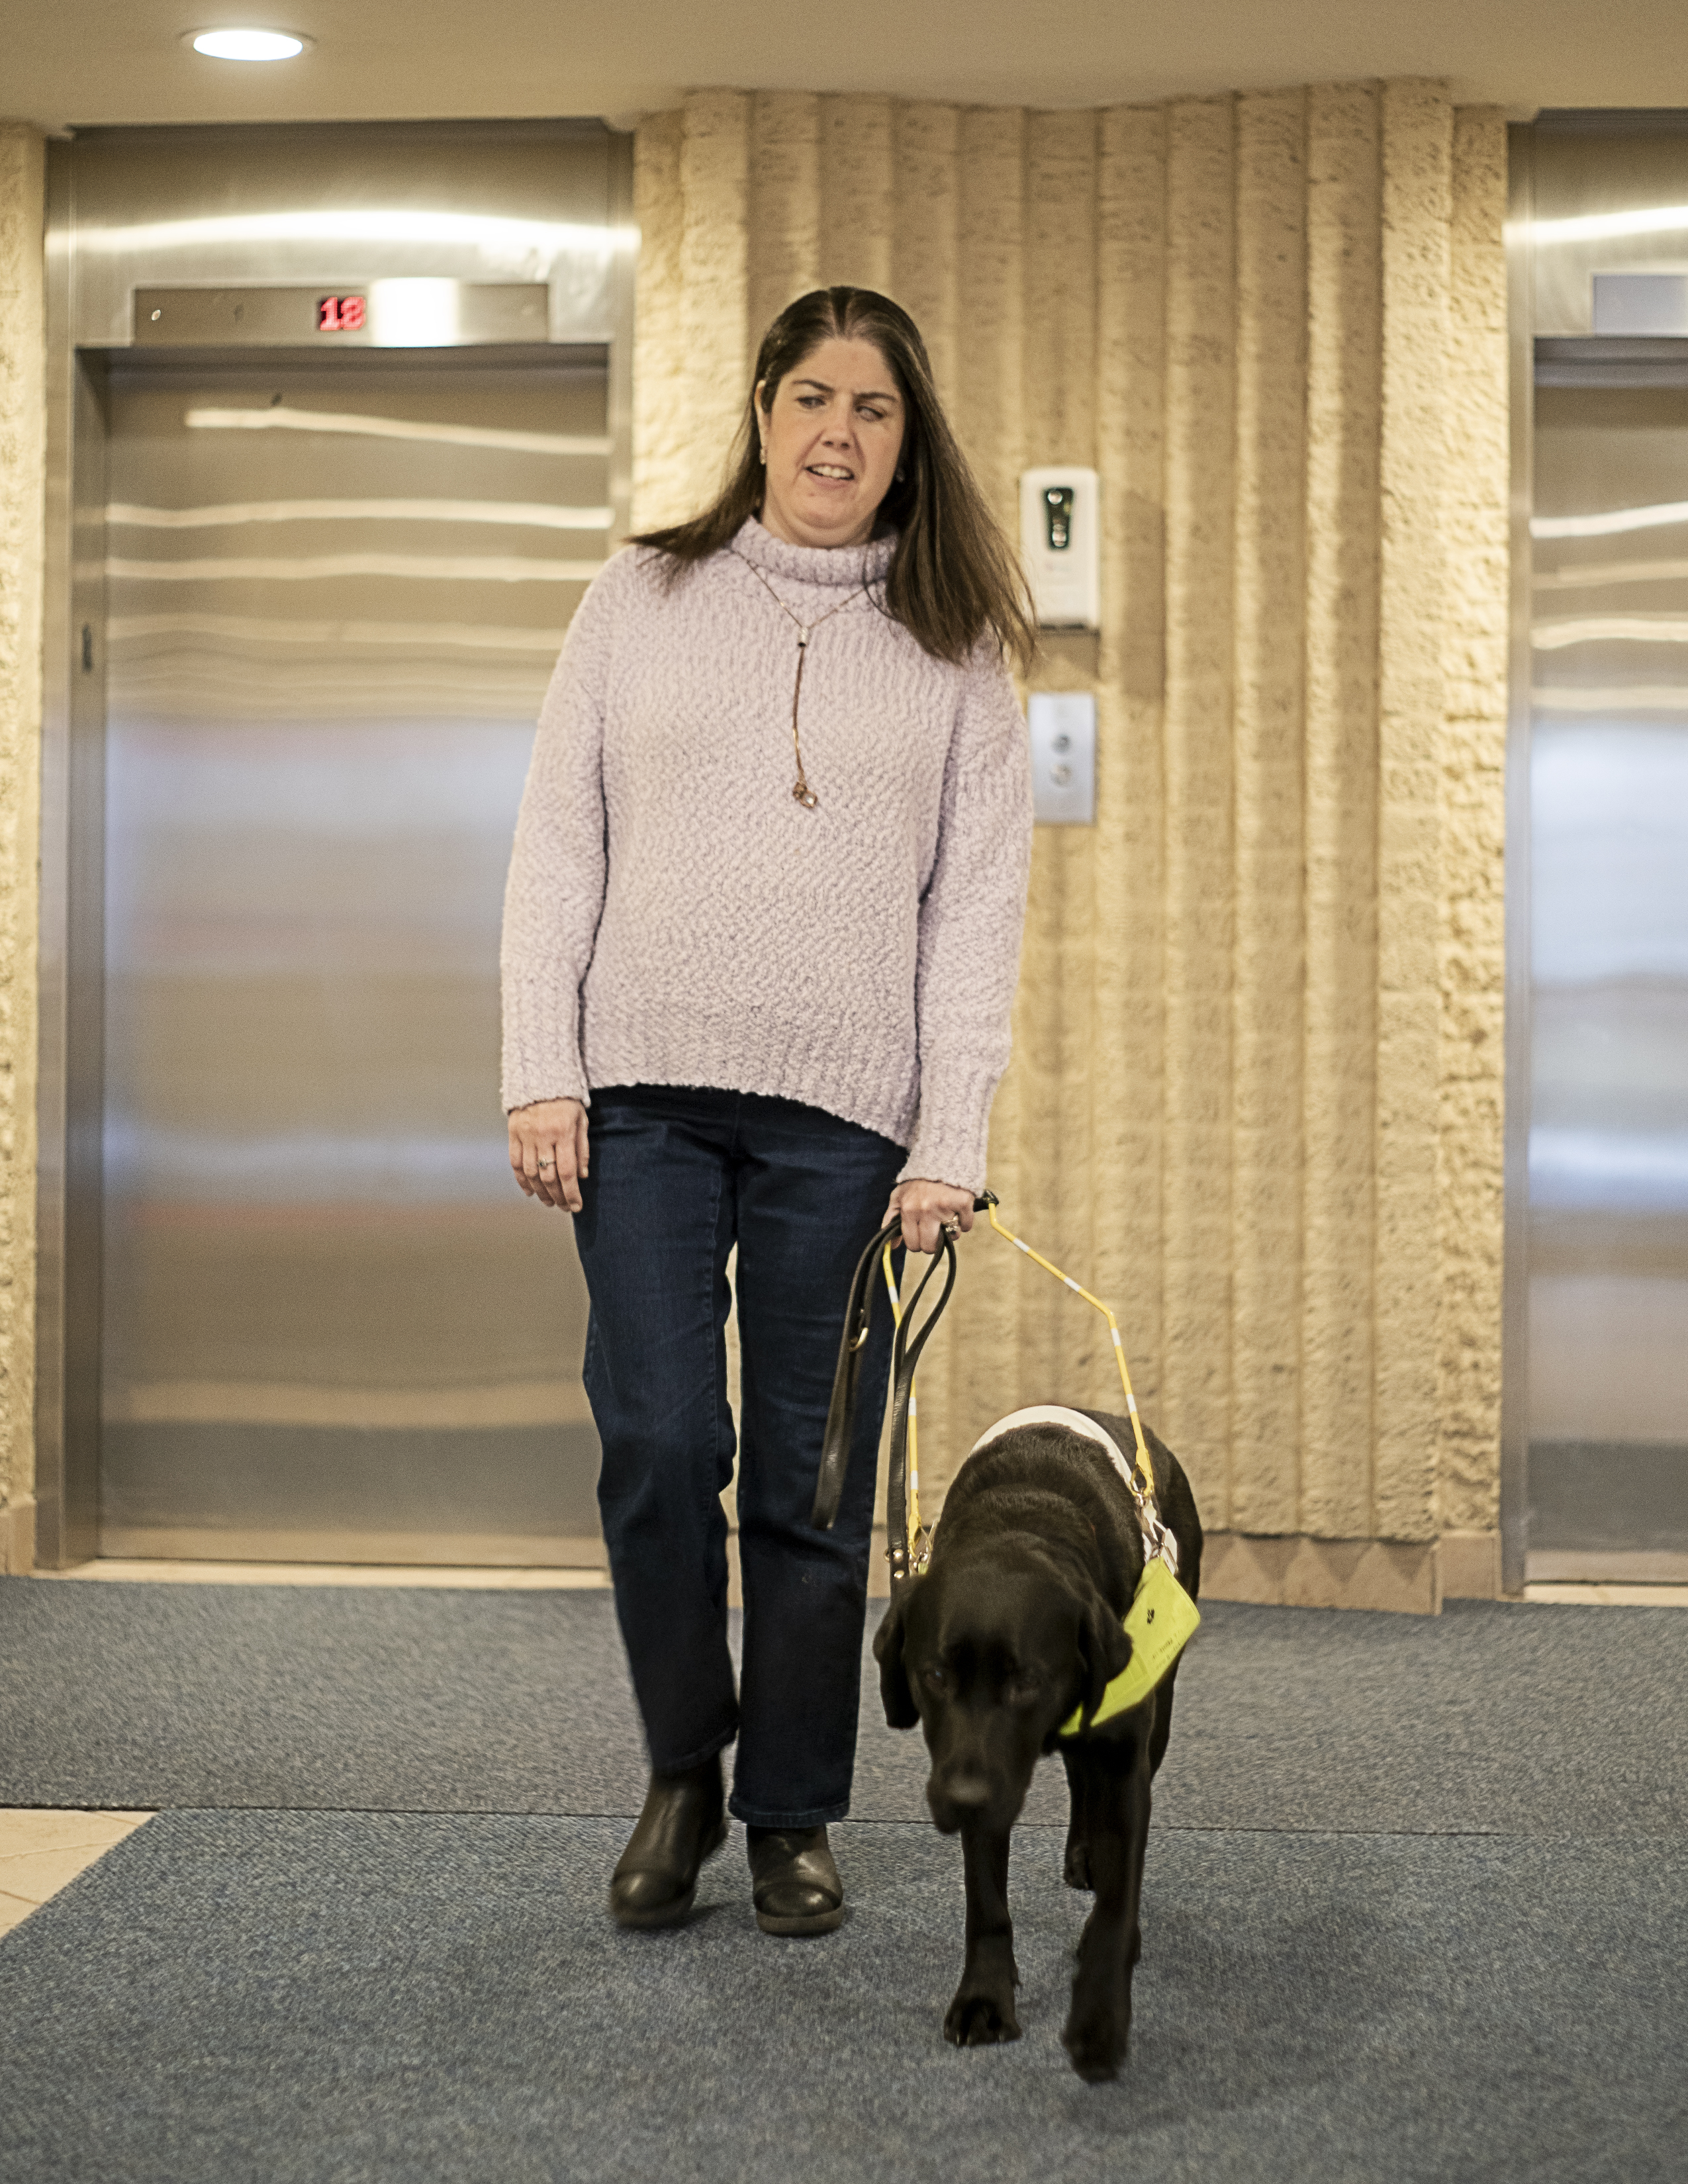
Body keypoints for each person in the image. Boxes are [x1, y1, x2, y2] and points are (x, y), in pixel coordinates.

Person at [500, 285, 1033, 1937]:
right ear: (760, 409)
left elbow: (978, 911)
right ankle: (685, 1771)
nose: (837, 435)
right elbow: (557, 844)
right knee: (662, 1444)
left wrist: (952, 1139)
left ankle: (794, 1815)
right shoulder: (639, 596)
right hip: (641, 1100)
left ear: (906, 441)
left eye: (873, 411)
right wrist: (540, 1065)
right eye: (814, 398)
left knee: (811, 1483)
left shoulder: (958, 645)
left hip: (852, 1132)